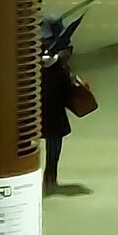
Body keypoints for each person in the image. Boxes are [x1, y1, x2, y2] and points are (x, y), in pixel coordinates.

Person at [39, 15, 75, 192]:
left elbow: (67, 49)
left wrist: (56, 59)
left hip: (52, 84)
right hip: (29, 83)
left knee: (54, 134)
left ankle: (51, 172)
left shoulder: (51, 24)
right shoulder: (13, 24)